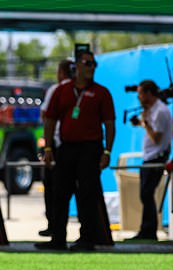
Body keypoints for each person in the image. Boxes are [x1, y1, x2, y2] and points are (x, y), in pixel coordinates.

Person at [36, 50, 116, 251]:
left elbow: (110, 124)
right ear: (77, 66)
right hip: (66, 148)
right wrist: (48, 148)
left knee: (87, 194)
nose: (91, 67)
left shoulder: (101, 92)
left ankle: (87, 238)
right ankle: (58, 238)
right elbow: (50, 120)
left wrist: (107, 152)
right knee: (59, 193)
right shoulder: (62, 91)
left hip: (91, 149)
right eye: (87, 63)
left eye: (93, 64)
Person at [128, 80, 173, 241]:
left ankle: (149, 230)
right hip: (150, 157)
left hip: (156, 157)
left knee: (147, 194)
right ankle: (146, 229)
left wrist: (145, 124)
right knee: (145, 194)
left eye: (140, 93)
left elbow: (156, 138)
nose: (138, 97)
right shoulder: (153, 110)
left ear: (148, 93)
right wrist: (143, 122)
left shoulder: (160, 111)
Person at [38, 59, 73, 237]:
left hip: (58, 145)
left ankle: (56, 229)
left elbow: (46, 115)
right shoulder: (82, 90)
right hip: (76, 145)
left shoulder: (57, 89)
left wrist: (48, 147)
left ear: (61, 72)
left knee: (55, 189)